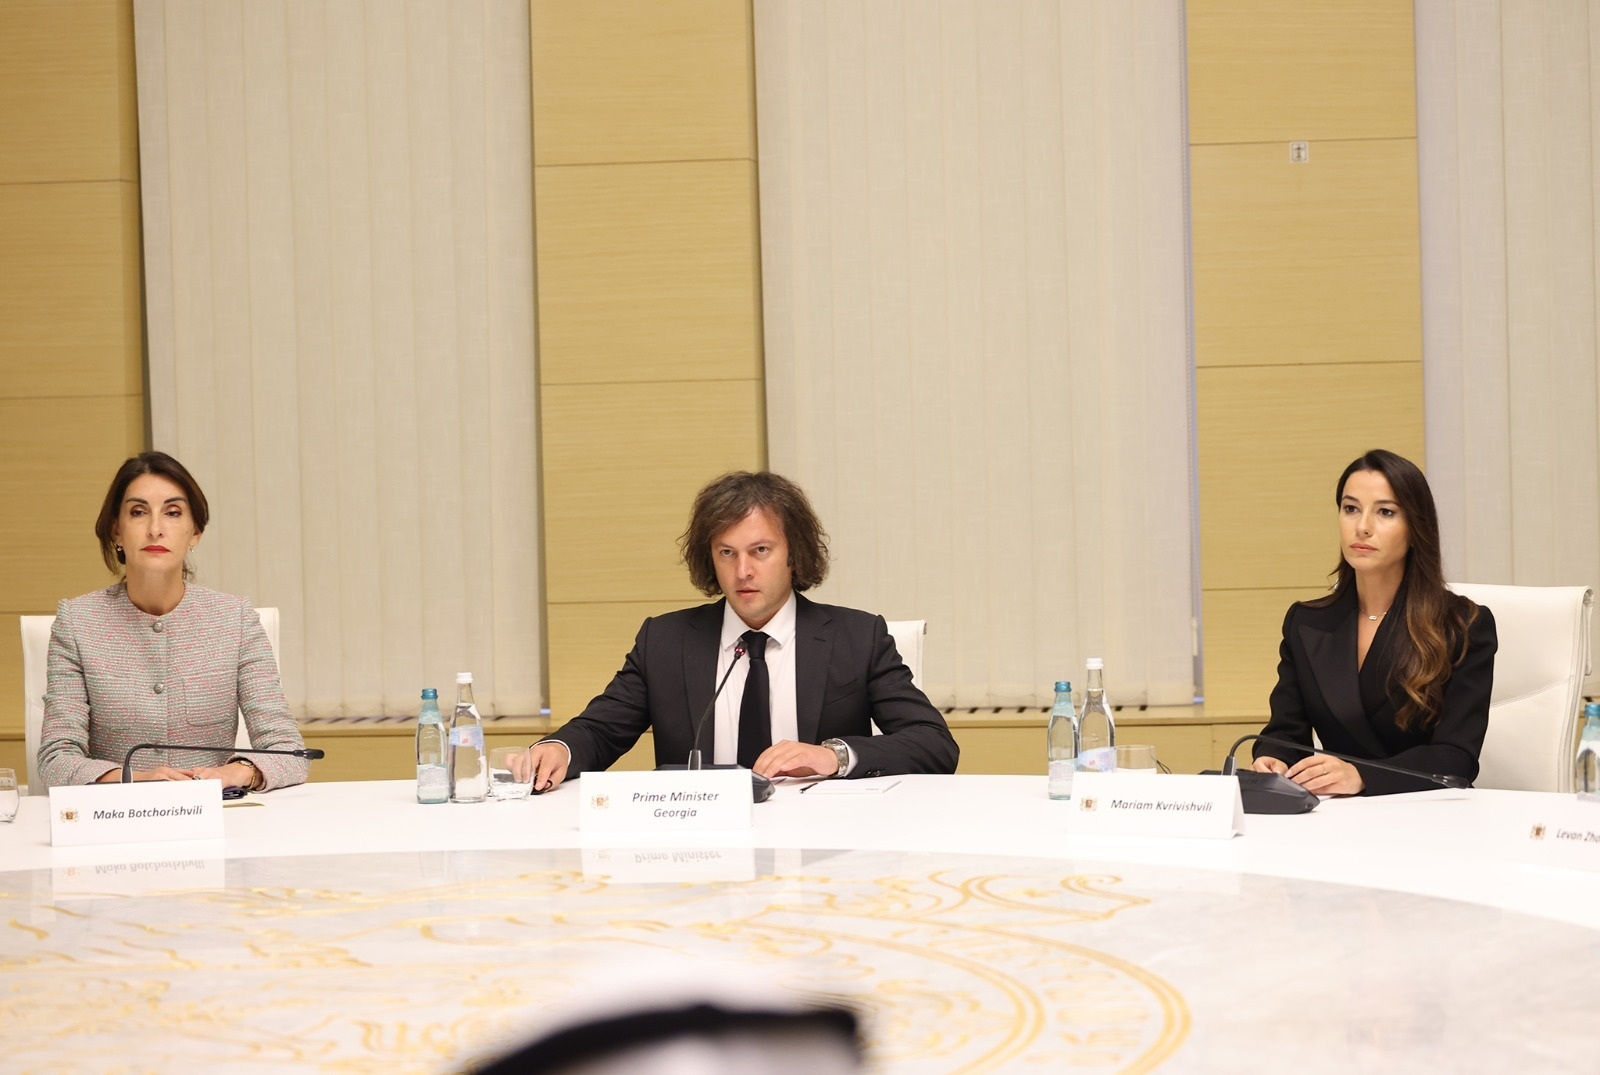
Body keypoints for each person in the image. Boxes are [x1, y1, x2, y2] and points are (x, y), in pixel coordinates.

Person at [522, 471, 958, 791]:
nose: (743, 571)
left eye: (760, 550)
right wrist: (559, 748)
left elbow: (934, 744)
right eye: (727, 553)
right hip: (699, 845)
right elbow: (600, 730)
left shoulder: (856, 637)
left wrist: (833, 756)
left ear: (794, 555)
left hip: (821, 839)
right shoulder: (666, 641)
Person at [38, 451, 310, 790]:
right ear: (116, 531)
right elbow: (56, 758)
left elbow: (289, 752)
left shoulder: (235, 619)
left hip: (217, 812)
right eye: (138, 512)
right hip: (117, 815)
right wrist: (137, 780)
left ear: (194, 532)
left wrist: (238, 772)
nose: (155, 529)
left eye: (173, 513)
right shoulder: (77, 623)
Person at [1251, 449, 1497, 795]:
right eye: (1351, 509)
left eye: (1385, 512)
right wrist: (1273, 758)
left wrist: (1362, 775)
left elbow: (1456, 758)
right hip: (1338, 814)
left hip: (1428, 811)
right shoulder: (1305, 623)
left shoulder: (1463, 625)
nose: (1362, 527)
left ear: (1416, 527)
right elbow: (1285, 733)